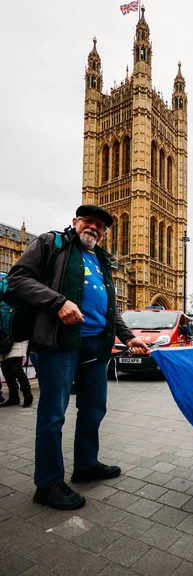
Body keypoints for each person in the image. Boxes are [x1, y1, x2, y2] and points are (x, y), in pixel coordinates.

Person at [7, 205, 149, 511]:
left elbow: (107, 310)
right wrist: (57, 302)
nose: (94, 228)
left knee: (94, 409)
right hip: (59, 344)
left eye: (100, 226)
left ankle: (85, 465)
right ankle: (47, 483)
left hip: (96, 348)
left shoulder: (102, 261)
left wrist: (129, 337)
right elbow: (17, 279)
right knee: (53, 414)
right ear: (75, 222)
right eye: (89, 221)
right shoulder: (51, 244)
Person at [0, 341, 33, 407]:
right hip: (4, 346)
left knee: (17, 371)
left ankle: (28, 395)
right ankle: (14, 397)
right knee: (7, 373)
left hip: (17, 344)